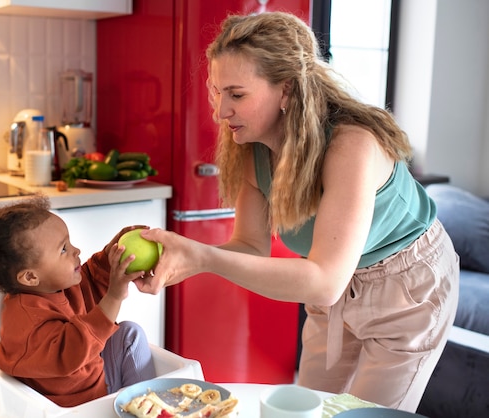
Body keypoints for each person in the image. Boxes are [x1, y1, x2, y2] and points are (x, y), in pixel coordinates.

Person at [137, 11, 459, 412]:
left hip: (406, 288)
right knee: (303, 408)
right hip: (335, 291)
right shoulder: (253, 151)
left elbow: (324, 280)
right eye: (216, 91)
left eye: (237, 95)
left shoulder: (351, 145)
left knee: (361, 414)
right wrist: (186, 257)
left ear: (287, 91)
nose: (220, 111)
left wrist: (203, 256)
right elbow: (251, 248)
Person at [0, 195, 156, 407]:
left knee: (130, 333)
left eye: (69, 243)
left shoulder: (59, 284)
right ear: (30, 277)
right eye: (63, 249)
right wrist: (115, 296)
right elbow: (72, 350)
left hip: (96, 384)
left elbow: (92, 279)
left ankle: (143, 408)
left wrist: (113, 253)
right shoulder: (25, 321)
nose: (76, 251)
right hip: (75, 408)